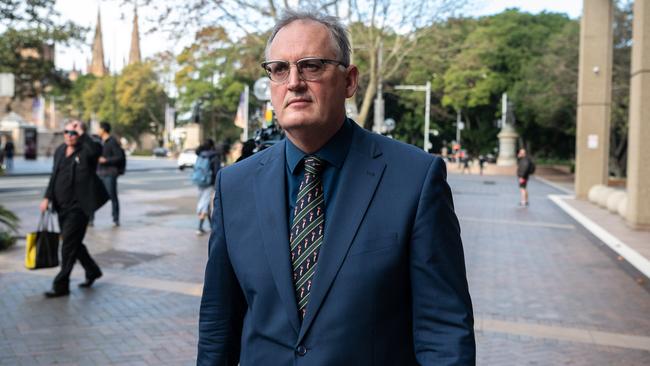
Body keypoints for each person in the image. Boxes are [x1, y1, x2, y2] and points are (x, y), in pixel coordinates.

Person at [197, 11, 475, 366]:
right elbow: (218, 323)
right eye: (279, 69)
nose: (294, 81)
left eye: (312, 66)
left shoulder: (415, 178)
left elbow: (444, 330)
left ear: (349, 81)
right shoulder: (234, 184)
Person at [39, 120, 109, 298]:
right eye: (67, 132)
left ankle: (61, 285)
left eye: (74, 133)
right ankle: (92, 270)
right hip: (61, 206)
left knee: (68, 246)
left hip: (80, 207)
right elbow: (54, 175)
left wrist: (82, 133)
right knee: (74, 244)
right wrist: (47, 197)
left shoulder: (86, 150)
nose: (70, 135)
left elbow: (96, 150)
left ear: (80, 135)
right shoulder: (60, 150)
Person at [96, 121, 125, 227]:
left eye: (98, 128)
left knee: (112, 196)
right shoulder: (98, 141)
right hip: (99, 172)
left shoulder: (112, 142)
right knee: (92, 195)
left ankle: (115, 218)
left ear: (103, 130)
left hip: (109, 173)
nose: (97, 130)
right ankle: (90, 219)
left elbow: (119, 157)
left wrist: (106, 160)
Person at [192, 139, 221, 235]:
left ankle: (211, 226)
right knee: (205, 204)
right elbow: (217, 171)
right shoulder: (214, 156)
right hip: (209, 183)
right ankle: (199, 228)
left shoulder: (201, 155)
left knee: (206, 203)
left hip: (200, 181)